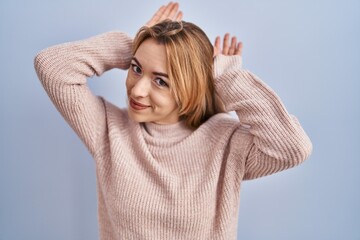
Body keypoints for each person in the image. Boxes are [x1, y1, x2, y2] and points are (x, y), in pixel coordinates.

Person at [34, 2, 312, 239]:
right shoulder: (109, 130)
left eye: (160, 81)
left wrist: (228, 79)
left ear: (190, 87)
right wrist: (132, 46)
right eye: (136, 69)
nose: (137, 89)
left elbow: (292, 148)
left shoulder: (227, 143)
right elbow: (52, 67)